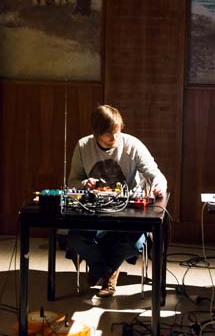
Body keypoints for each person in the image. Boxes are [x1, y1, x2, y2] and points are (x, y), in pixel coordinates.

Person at [66, 104, 167, 297]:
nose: (115, 139)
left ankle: (99, 269)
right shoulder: (83, 146)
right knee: (75, 239)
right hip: (95, 213)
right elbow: (72, 182)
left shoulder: (132, 144)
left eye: (117, 133)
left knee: (136, 243)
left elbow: (156, 174)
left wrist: (159, 185)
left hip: (127, 214)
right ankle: (108, 271)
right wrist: (84, 183)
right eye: (109, 135)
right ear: (96, 133)